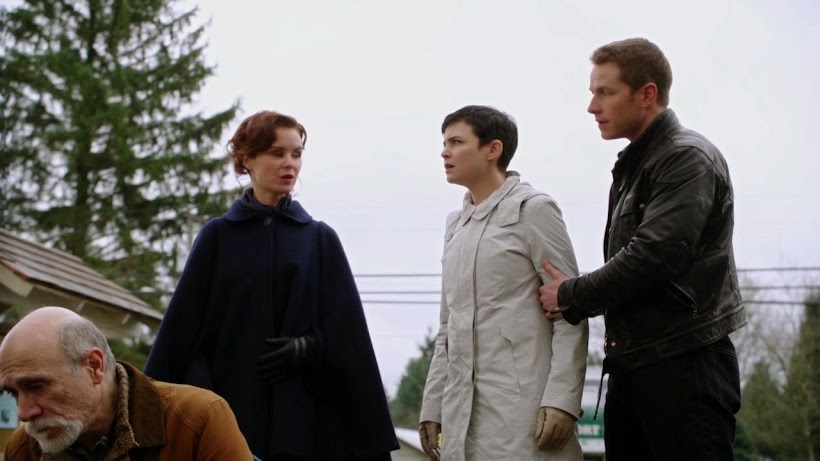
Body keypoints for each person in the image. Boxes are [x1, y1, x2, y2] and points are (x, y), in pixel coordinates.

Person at [144, 110, 399, 460]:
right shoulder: (218, 237)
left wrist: (310, 346)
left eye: (296, 154)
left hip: (303, 418)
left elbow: (348, 335)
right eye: (277, 153)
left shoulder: (319, 239)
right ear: (247, 159)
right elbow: (184, 334)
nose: (289, 163)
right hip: (231, 413)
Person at [539, 38, 746, 460]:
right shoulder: (636, 165)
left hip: (685, 365)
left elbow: (655, 255)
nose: (592, 107)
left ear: (647, 94)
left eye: (605, 92)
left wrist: (570, 294)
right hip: (635, 365)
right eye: (592, 93)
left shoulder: (687, 157)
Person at [419, 105, 589, 461]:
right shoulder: (455, 226)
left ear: (492, 149)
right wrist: (433, 404)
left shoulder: (534, 210)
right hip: (461, 413)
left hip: (523, 411)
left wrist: (562, 399)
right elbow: (448, 327)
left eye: (456, 142)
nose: (444, 152)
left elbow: (570, 311)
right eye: (444, 143)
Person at [0, 306, 254, 460]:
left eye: (36, 386)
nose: (24, 413)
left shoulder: (197, 419)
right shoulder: (24, 449)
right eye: (12, 393)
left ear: (94, 366)